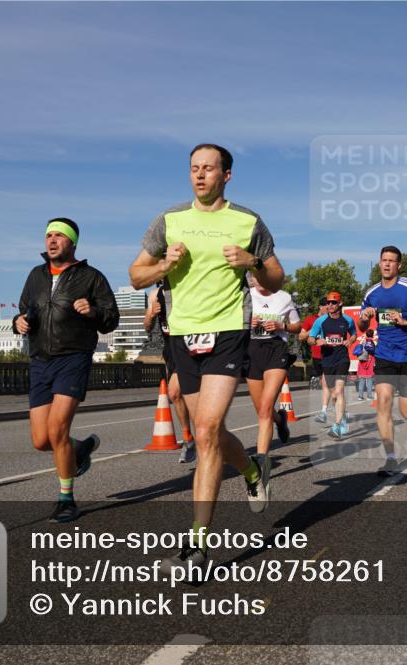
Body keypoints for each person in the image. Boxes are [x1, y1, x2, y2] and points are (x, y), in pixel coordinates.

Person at [129, 143, 283, 572]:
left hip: (229, 331)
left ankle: (197, 546)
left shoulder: (248, 221)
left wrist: (252, 261)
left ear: (226, 175)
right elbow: (135, 273)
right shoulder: (169, 220)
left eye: (209, 169)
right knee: (203, 434)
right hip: (181, 335)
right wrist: (163, 266)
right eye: (194, 168)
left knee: (210, 427)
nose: (200, 176)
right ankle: (252, 470)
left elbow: (276, 275)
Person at [13, 217, 119, 523]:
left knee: (57, 429)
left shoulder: (91, 277)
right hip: (40, 360)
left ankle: (66, 499)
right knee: (41, 440)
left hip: (73, 357)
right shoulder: (35, 275)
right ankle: (80, 450)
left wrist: (94, 311)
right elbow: (25, 310)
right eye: (48, 235)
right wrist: (18, 322)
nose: (52, 240)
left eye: (59, 235)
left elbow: (111, 318)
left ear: (72, 242)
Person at [359, 246, 407, 476]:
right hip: (385, 355)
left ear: (398, 265)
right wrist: (364, 318)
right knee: (383, 402)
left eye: (392, 261)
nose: (387, 264)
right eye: (384, 260)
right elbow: (362, 327)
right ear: (379, 263)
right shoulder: (371, 293)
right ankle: (391, 458)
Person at [245, 273, 301, 474]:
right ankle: (280, 420)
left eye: (261, 277)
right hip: (251, 351)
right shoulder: (245, 295)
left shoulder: (284, 297)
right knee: (262, 409)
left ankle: (261, 461)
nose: (257, 281)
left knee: (265, 408)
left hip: (276, 350)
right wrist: (246, 324)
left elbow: (297, 326)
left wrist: (281, 326)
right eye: (254, 277)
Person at [143, 284, 196, 463]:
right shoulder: (155, 294)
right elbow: (147, 326)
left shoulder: (188, 286)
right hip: (171, 350)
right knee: (176, 394)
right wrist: (151, 314)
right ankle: (189, 438)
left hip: (192, 347)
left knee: (181, 394)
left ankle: (203, 440)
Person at [307, 291, 356, 440]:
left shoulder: (347, 320)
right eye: (328, 302)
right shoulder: (320, 321)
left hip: (342, 359)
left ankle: (336, 425)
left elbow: (353, 333)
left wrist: (351, 340)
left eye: (333, 302)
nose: (330, 305)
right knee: (334, 393)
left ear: (340, 304)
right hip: (327, 360)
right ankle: (342, 418)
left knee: (338, 391)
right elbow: (309, 338)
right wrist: (316, 341)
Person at [300, 298, 334, 423]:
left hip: (330, 356)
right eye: (326, 305)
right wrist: (314, 329)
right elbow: (301, 337)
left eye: (331, 304)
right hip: (316, 357)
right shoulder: (310, 320)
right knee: (326, 385)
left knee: (326, 384)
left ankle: (324, 411)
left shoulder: (333, 319)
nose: (329, 307)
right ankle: (337, 409)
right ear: (320, 306)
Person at [356, 329, 376, 401]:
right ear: (372, 335)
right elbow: (374, 352)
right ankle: (369, 396)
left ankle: (360, 396)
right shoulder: (372, 342)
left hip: (362, 361)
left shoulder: (363, 341)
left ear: (366, 334)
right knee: (369, 379)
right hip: (370, 361)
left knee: (362, 379)